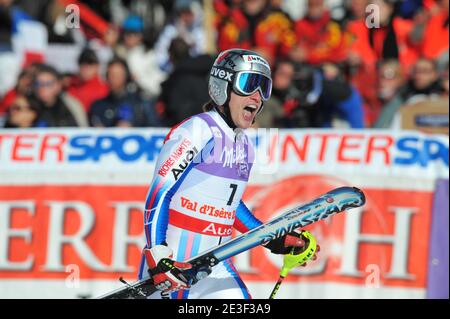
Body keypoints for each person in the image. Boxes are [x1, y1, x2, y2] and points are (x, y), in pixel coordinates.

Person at [139, 48, 319, 299]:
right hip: (174, 266)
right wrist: (157, 254)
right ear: (222, 86)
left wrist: (272, 238)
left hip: (215, 267)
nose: (257, 97)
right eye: (249, 84)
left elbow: (229, 205)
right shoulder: (197, 130)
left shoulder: (244, 145)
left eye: (264, 88)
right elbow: (159, 194)